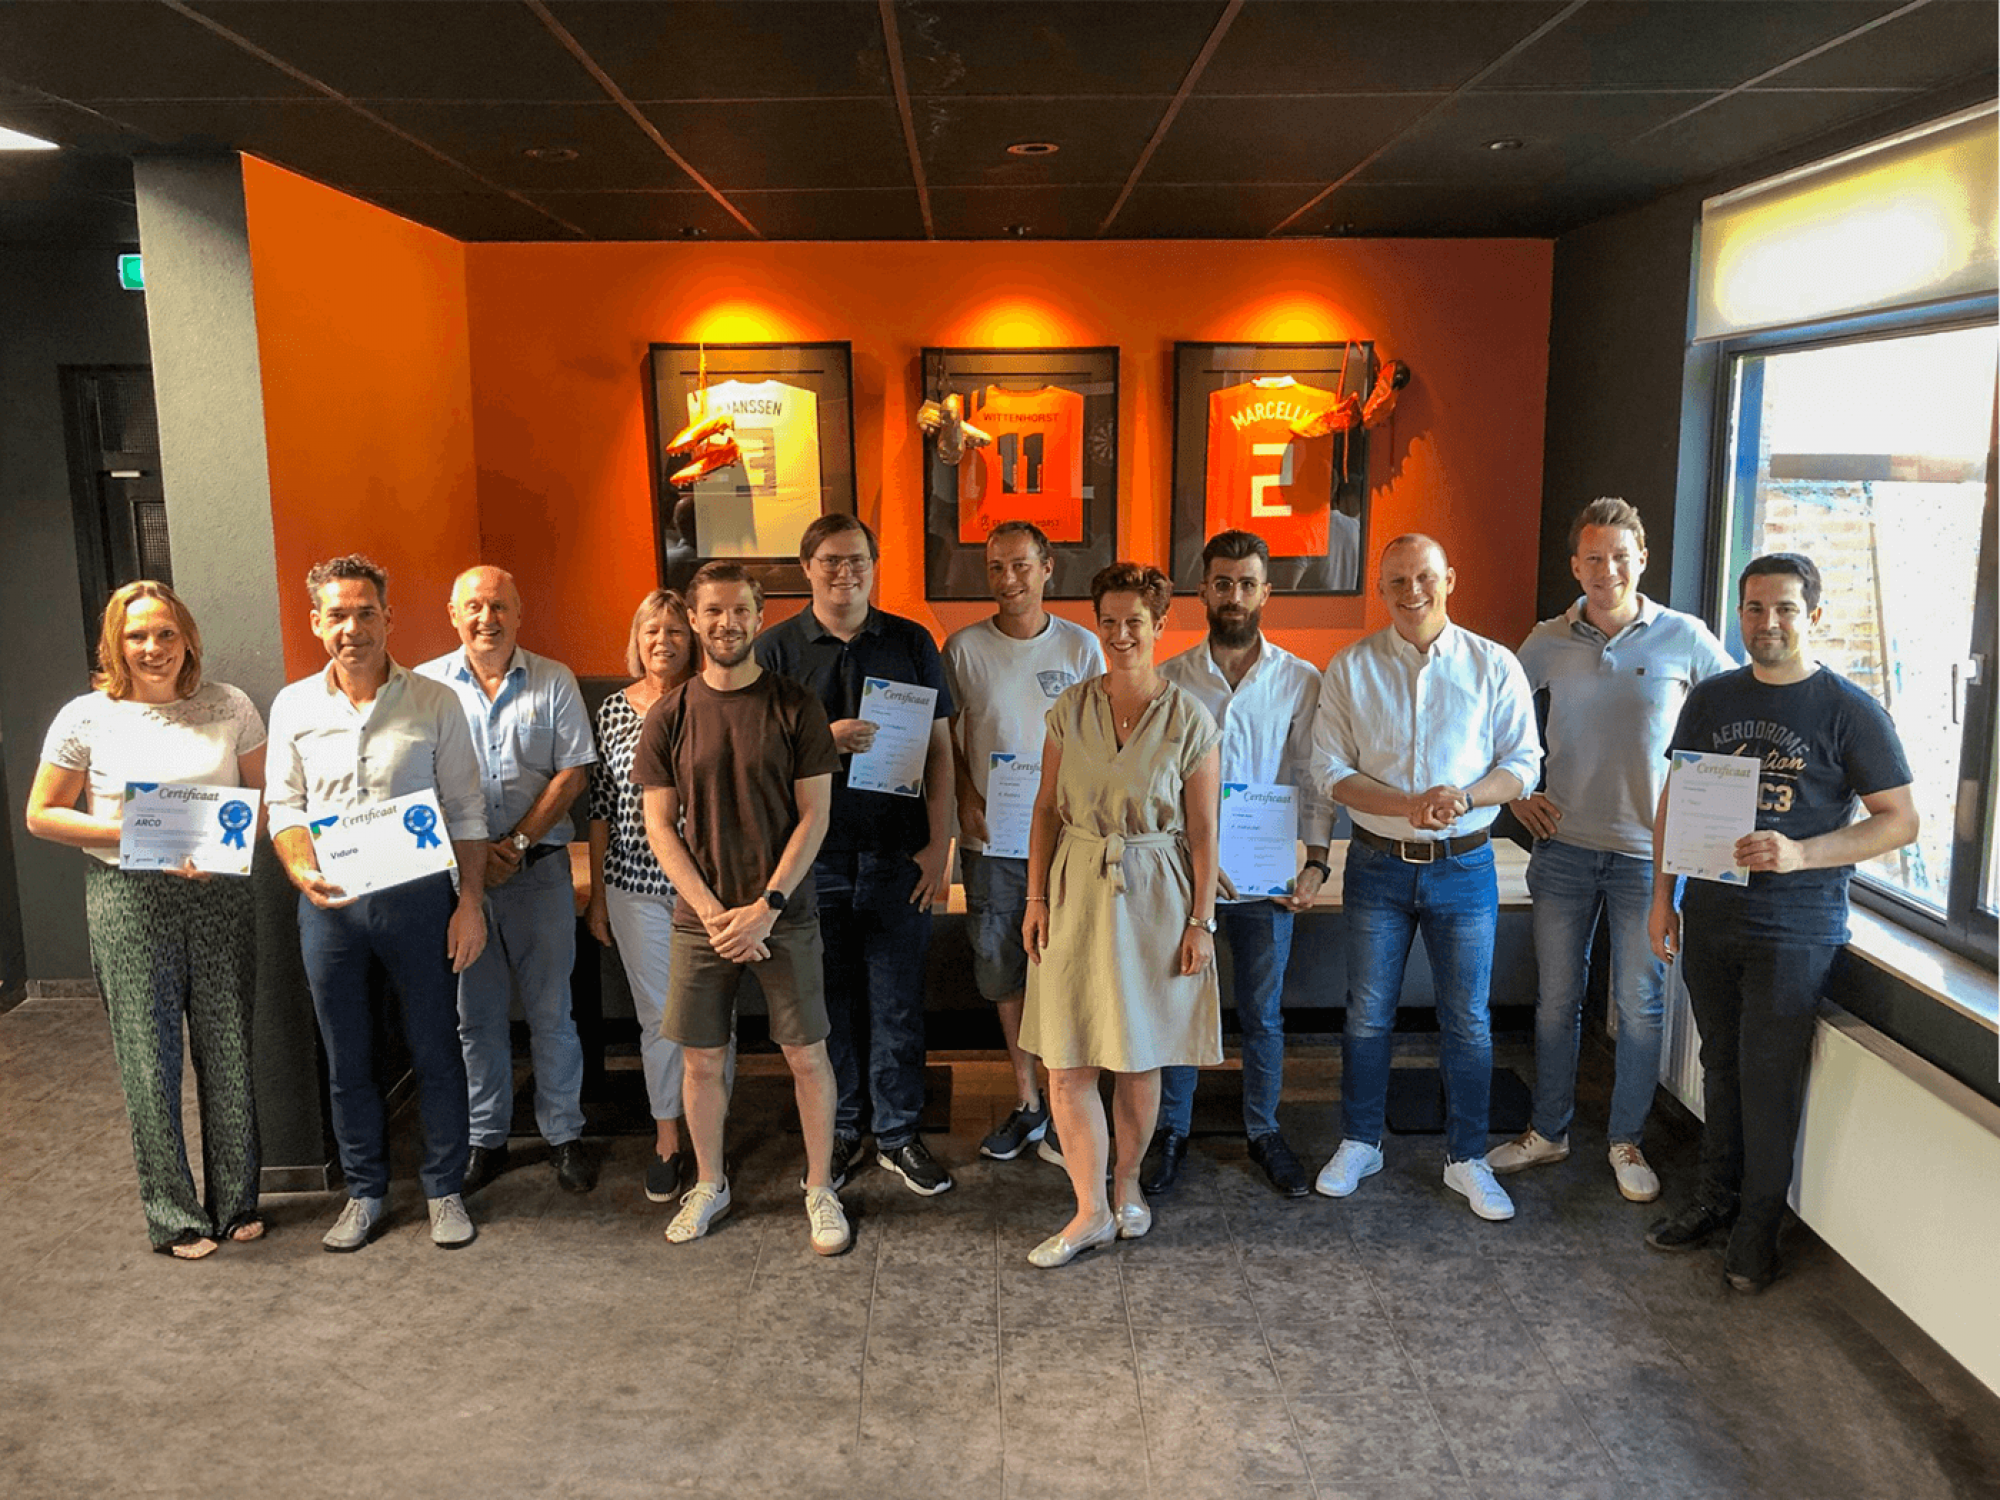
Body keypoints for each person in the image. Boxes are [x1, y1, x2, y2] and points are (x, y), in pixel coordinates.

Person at [1645, 553, 1916, 1292]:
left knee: (1768, 1078)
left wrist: (1802, 853)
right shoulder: (1712, 698)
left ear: (1814, 616)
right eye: (1755, 608)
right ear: (1740, 614)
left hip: (1796, 927)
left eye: (1785, 608)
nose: (1768, 622)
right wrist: (1662, 895)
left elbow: (1900, 820)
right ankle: (1716, 1199)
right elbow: (1676, 798)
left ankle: (1757, 1232)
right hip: (1712, 911)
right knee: (1720, 1065)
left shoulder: (1849, 710)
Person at [1487, 499, 1736, 1202]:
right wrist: (1516, 794)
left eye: (1621, 557)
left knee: (1641, 1005)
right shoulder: (1546, 640)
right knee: (1555, 1002)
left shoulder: (1685, 638)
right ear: (1576, 566)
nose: (1607, 571)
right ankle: (1548, 1131)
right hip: (1563, 848)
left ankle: (1627, 1140)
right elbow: (1495, 717)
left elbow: (1735, 712)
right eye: (1594, 558)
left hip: (1647, 860)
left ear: (1642, 560)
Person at [25, 581, 266, 1260]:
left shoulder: (231, 705)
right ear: (115, 644)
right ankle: (174, 1216)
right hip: (128, 898)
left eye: (166, 633)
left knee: (229, 1047)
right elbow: (42, 814)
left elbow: (262, 804)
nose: (153, 647)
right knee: (148, 1058)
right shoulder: (85, 717)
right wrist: (131, 832)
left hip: (218, 893)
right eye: (137, 636)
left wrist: (218, 849)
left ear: (187, 637)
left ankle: (238, 1201)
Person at [1310, 534, 1540, 1221]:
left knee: (1467, 1019)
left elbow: (1524, 762)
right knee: (1367, 1011)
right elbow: (1329, 770)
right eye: (1398, 581)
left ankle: (1467, 1157)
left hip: (1465, 866)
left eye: (1425, 577)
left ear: (1450, 579)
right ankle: (1361, 1141)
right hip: (1376, 864)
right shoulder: (1351, 667)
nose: (1412, 592)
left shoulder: (1493, 664)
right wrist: (1406, 805)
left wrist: (1463, 797)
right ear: (1381, 589)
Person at [265, 555, 489, 1252]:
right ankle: (364, 1192)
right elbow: (284, 805)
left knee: (436, 1047)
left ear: (388, 618)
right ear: (316, 623)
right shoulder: (293, 706)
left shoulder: (434, 701)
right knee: (348, 1056)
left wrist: (470, 903)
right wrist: (299, 868)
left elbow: (466, 809)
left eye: (366, 613)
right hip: (329, 905)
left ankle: (444, 1188)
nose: (352, 628)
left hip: (420, 901)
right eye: (338, 615)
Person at [632, 561, 850, 1254]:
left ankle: (821, 1187)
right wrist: (714, 914)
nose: (727, 623)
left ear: (760, 617)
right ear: (694, 620)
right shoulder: (669, 715)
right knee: (700, 1061)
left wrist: (766, 906)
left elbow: (815, 816)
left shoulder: (796, 705)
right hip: (702, 920)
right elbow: (660, 826)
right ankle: (710, 1183)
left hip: (786, 912)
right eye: (713, 611)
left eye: (740, 611)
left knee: (807, 1055)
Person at [1019, 562, 1223, 1268]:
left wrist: (1201, 921)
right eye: (1108, 621)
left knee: (1138, 1056)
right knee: (1067, 1058)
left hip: (1156, 892)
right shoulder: (1069, 709)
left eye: (1134, 621)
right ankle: (1090, 1210)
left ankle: (1127, 1182)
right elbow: (1045, 809)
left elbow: (1205, 831)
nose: (1120, 634)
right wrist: (1035, 898)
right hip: (1074, 887)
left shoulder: (1190, 717)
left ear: (1160, 624)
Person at [754, 516, 957, 1196]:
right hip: (814, 861)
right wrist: (824, 738)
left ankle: (898, 1134)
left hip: (900, 854)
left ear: (874, 564)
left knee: (899, 1005)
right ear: (807, 567)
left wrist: (939, 846)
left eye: (858, 560)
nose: (846, 572)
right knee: (829, 1003)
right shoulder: (775, 649)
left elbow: (940, 751)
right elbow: (756, 759)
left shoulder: (911, 641)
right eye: (831, 561)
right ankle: (840, 1129)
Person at [1151, 530, 1332, 1198]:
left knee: (1262, 1014)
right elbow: (1158, 783)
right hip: (1185, 881)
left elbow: (1313, 778)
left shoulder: (1300, 680)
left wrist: (1316, 863)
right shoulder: (1169, 679)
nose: (1234, 596)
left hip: (1266, 878)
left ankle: (1263, 1130)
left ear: (1266, 592)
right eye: (1223, 583)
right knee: (1178, 1006)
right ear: (1203, 590)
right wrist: (1188, 860)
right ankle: (1171, 1130)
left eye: (1247, 584)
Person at [419, 567, 599, 1197]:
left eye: (499, 606)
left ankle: (564, 1135)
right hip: (458, 883)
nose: (486, 618)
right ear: (453, 614)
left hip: (539, 872)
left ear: (518, 613)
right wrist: (474, 858)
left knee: (553, 1013)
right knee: (476, 1018)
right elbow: (416, 778)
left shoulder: (553, 680)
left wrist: (517, 842)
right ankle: (486, 1139)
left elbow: (573, 772)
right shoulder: (425, 688)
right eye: (473, 606)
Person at [941, 521, 1103, 1167]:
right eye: (996, 568)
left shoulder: (1082, 647)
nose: (1008, 580)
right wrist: (964, 797)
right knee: (1000, 963)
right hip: (994, 839)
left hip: (1069, 841)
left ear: (1047, 568)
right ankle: (1028, 1099)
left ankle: (1068, 1106)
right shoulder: (963, 649)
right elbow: (946, 738)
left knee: (1064, 966)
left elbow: (1102, 738)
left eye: (1020, 566)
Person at [586, 588, 737, 1203]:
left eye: (675, 630)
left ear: (693, 638)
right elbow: (601, 805)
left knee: (713, 1017)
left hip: (708, 888)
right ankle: (668, 1138)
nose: (663, 641)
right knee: (660, 1019)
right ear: (637, 639)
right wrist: (598, 895)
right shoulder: (613, 711)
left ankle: (712, 1141)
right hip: (635, 888)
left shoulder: (715, 700)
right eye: (652, 630)